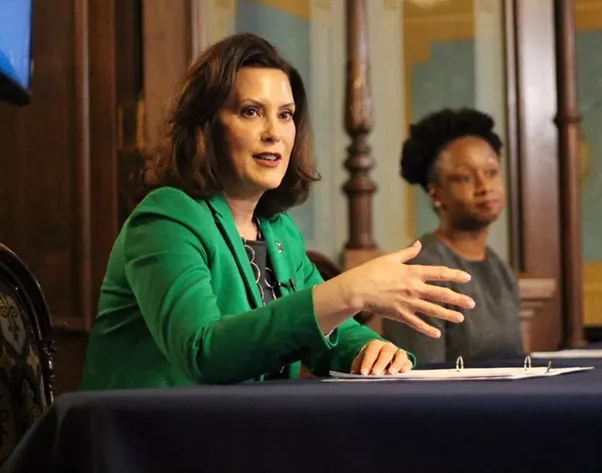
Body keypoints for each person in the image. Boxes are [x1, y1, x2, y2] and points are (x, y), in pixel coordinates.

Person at [80, 34, 475, 390]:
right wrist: (347, 291)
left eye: (285, 114)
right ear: (207, 125)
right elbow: (203, 352)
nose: (274, 132)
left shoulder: (277, 230)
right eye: (251, 111)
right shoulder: (166, 217)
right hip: (150, 444)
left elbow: (322, 337)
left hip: (245, 436)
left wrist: (374, 350)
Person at [382, 108, 524, 365]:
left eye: (492, 172)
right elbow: (420, 378)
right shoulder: (422, 269)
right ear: (436, 194)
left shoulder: (500, 268)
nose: (485, 187)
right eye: (465, 177)